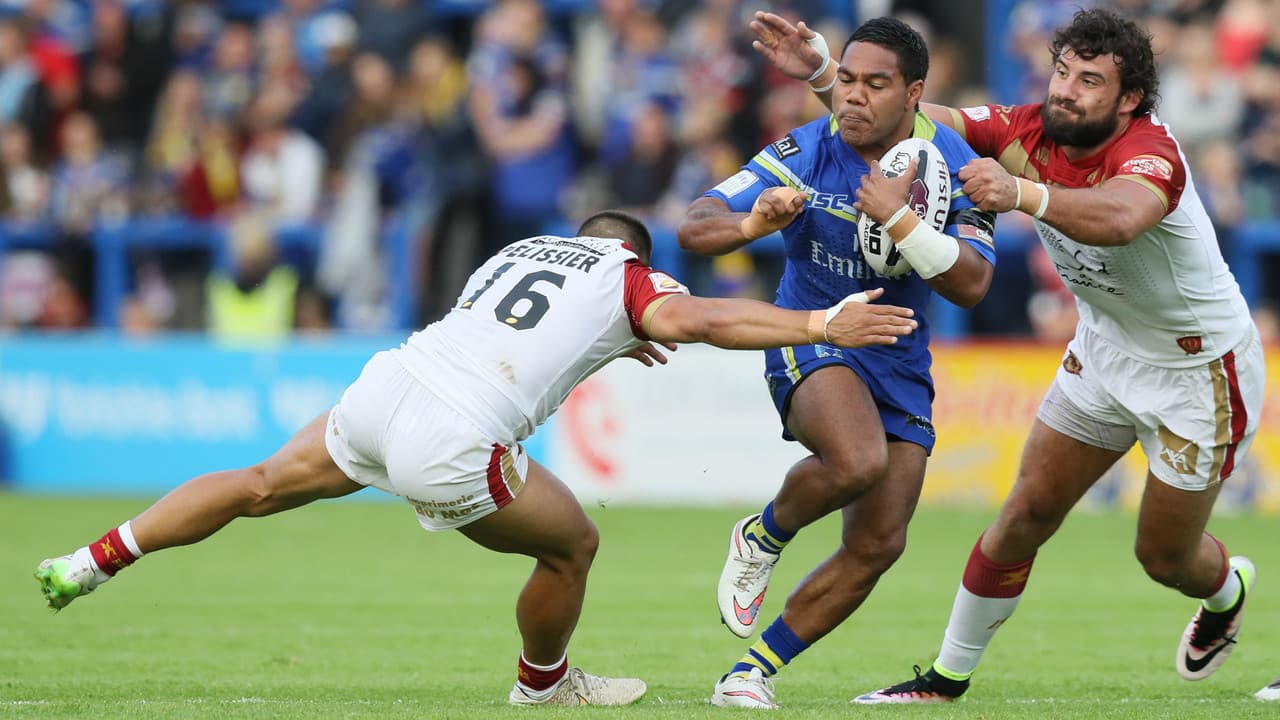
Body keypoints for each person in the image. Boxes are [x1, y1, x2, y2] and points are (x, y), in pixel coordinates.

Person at [33, 210, 920, 707]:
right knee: (572, 547)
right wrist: (820, 322)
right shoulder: (630, 276)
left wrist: (620, 337)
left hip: (388, 386)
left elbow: (526, 329)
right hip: (454, 436)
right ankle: (543, 687)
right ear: (637, 255)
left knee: (258, 484)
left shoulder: (517, 251)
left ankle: (91, 559)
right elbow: (699, 319)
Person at [750, 7, 1266, 703]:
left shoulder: (1152, 152)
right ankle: (945, 680)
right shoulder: (1023, 128)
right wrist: (823, 72)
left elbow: (1120, 217)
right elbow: (904, 115)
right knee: (1024, 513)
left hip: (1198, 371)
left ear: (1130, 100)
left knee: (1163, 556)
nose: (1066, 90)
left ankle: (1226, 591)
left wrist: (1021, 192)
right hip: (1104, 352)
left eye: (1090, 81)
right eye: (1063, 72)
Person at [676, 17, 998, 709]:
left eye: (875, 84)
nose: (853, 96)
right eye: (845, 79)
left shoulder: (953, 163)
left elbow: (972, 284)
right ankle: (763, 535)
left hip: (897, 356)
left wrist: (901, 220)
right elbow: (694, 224)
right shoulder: (803, 149)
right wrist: (752, 224)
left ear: (913, 93)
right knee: (857, 460)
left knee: (880, 542)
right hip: (811, 334)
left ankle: (750, 673)